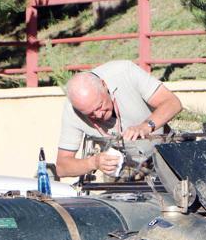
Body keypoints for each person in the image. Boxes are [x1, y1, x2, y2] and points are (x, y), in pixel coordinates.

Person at [55, 60, 183, 178]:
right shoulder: (72, 110)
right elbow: (62, 167)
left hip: (164, 155)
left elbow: (172, 103)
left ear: (104, 85)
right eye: (90, 114)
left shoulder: (125, 72)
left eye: (100, 106)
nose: (98, 115)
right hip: (122, 174)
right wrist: (93, 162)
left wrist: (145, 126)